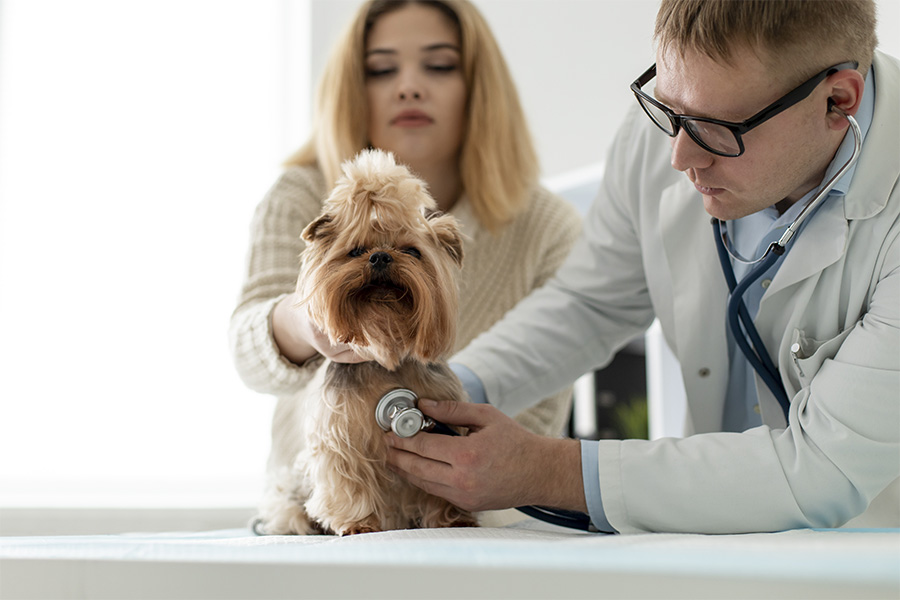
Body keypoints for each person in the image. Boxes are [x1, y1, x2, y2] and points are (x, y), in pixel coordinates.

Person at [385, 0, 900, 534]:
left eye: (716, 128)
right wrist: (444, 389)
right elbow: (590, 303)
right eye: (670, 109)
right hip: (704, 543)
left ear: (837, 101)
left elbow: (820, 467)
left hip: (868, 557)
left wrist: (542, 471)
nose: (679, 156)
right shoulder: (675, 126)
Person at [229, 0, 581, 517]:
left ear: (477, 88)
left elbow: (540, 404)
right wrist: (305, 322)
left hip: (472, 520)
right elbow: (246, 348)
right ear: (353, 89)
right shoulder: (300, 193)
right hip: (313, 518)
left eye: (438, 65)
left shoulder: (547, 226)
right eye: (381, 69)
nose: (409, 86)